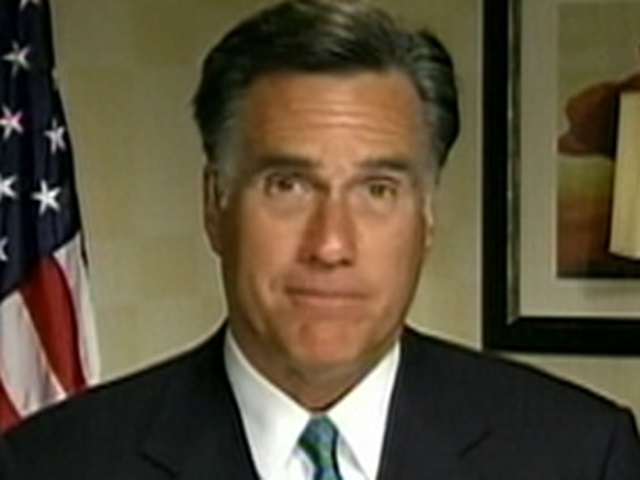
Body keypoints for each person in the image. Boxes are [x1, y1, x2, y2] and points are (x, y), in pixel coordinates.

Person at [2, 0, 640, 478]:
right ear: (215, 205)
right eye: (288, 185)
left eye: (377, 190)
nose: (331, 244)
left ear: (427, 218)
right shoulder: (52, 465)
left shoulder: (580, 456)